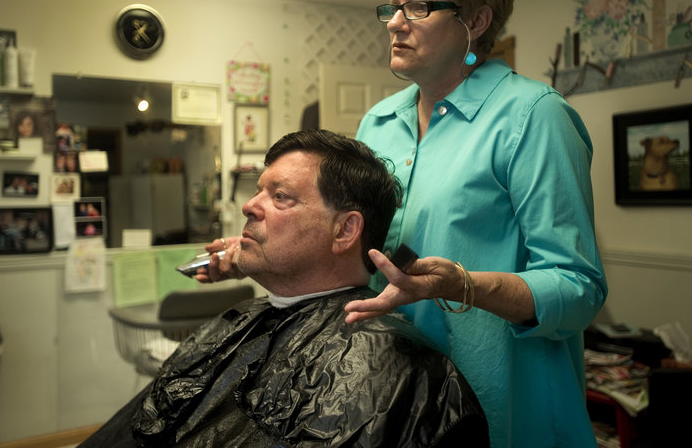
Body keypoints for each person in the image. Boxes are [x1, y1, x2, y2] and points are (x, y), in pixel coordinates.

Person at [336, 0, 607, 448]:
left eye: (418, 7)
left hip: (504, 408)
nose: (394, 23)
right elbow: (359, 247)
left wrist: (463, 285)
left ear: (476, 21)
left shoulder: (534, 117)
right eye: (392, 6)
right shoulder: (377, 123)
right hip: (398, 395)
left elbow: (579, 290)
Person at [82, 129, 489, 447]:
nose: (249, 205)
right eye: (259, 190)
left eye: (280, 197)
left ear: (345, 230)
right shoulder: (247, 320)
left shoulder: (400, 373)